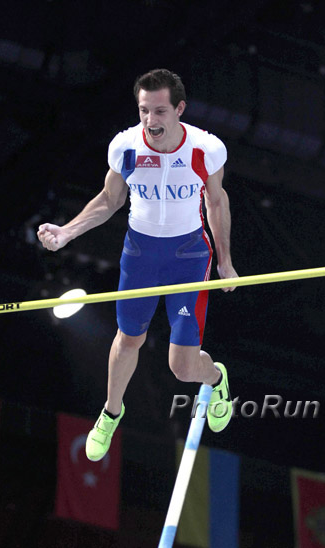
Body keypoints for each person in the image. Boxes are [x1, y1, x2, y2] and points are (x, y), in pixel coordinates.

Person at [37, 68, 238, 461]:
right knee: (128, 338)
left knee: (182, 368)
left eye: (160, 111)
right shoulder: (125, 147)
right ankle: (111, 413)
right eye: (144, 110)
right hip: (141, 256)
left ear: (179, 109)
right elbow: (109, 199)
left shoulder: (205, 149)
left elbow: (216, 202)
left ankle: (216, 379)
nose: (150, 120)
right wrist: (67, 232)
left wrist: (226, 262)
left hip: (188, 258)